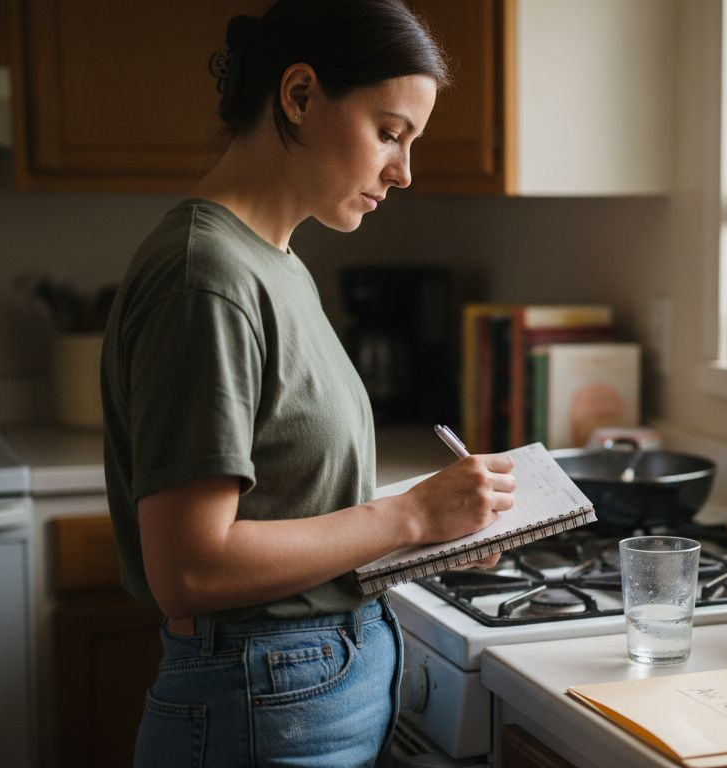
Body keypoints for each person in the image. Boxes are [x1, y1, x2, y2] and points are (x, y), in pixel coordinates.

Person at [100, 2, 514, 765]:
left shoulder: (276, 262)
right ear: (298, 96)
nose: (404, 170)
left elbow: (292, 509)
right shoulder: (208, 278)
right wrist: (409, 518)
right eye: (389, 132)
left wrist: (432, 534)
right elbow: (190, 568)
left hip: (300, 688)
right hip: (259, 701)